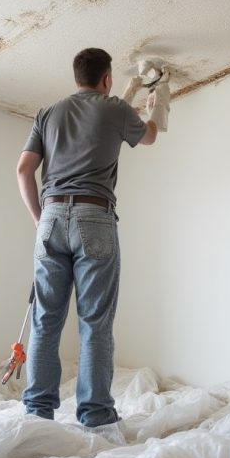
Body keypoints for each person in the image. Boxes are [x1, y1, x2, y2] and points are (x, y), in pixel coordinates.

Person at [16, 47, 159, 428]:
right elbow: (149, 137)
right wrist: (158, 102)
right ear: (107, 78)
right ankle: (95, 415)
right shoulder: (114, 109)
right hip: (94, 216)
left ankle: (38, 414)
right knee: (94, 321)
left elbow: (23, 170)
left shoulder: (48, 113)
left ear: (77, 77)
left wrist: (39, 220)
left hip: (49, 218)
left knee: (46, 321)